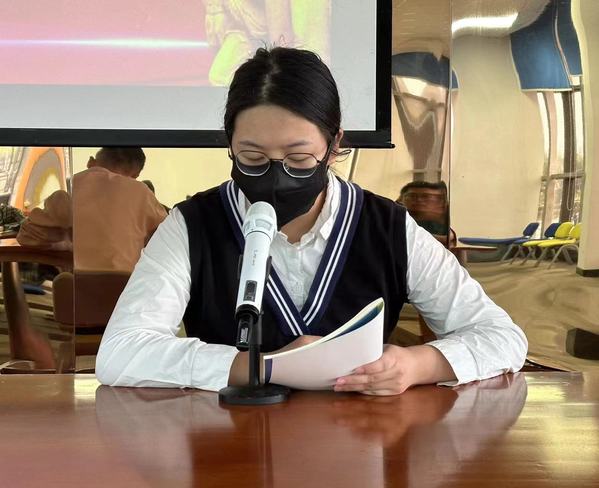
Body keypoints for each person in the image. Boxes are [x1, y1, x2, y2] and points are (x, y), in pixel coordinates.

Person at [96, 47, 527, 395]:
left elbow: (502, 337)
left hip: (360, 443)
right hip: (231, 446)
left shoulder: (388, 227)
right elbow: (120, 352)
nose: (276, 175)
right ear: (230, 146)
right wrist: (264, 367)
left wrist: (416, 364)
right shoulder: (192, 225)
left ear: (334, 145)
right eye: (252, 158)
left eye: (299, 158)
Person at [17, 147, 167, 272]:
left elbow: (25, 237)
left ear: (91, 163)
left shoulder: (70, 192)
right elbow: (169, 237)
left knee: (62, 282)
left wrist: (66, 241)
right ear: (136, 175)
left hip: (79, 291)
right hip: (128, 289)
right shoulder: (141, 192)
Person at [397, 181, 457, 247]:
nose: (419, 200)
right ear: (401, 199)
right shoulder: (395, 220)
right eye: (412, 196)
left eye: (425, 196)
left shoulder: (441, 227)